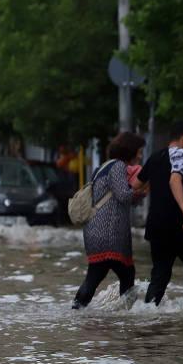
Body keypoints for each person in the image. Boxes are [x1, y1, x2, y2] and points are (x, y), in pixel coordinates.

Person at [138, 120, 183, 306]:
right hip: (178, 224)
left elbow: (136, 185)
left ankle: (147, 313)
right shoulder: (182, 153)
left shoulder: (155, 157)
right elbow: (174, 180)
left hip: (155, 224)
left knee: (160, 275)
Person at [72, 132, 146, 309]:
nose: (141, 155)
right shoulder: (118, 166)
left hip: (94, 232)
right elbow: (123, 195)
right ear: (130, 150)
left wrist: (134, 196)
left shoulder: (102, 168)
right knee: (125, 274)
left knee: (96, 274)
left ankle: (77, 311)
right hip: (109, 234)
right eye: (139, 151)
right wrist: (140, 192)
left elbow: (114, 197)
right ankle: (127, 314)